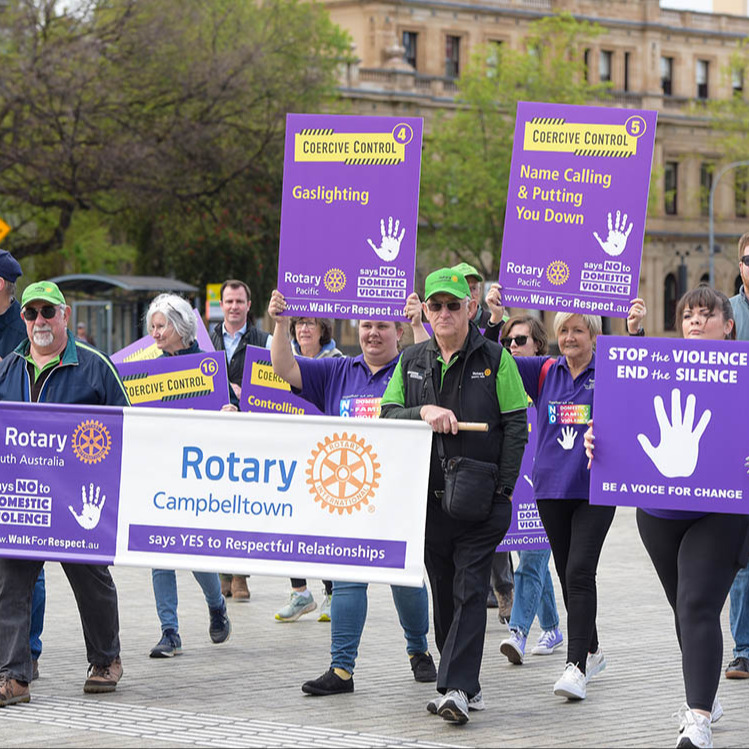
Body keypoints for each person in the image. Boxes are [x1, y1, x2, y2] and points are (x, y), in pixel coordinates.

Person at [585, 286, 746, 749]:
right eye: (688, 315)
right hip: (657, 512)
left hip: (719, 511)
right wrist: (598, 444)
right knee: (685, 611)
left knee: (697, 604)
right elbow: (615, 424)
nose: (696, 321)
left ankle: (697, 719)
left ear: (728, 324)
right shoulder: (651, 371)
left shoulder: (745, 373)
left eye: (707, 314)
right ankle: (706, 691)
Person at [267, 289, 437, 696]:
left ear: (397, 332)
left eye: (382, 326)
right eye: (366, 326)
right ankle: (341, 670)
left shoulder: (414, 368)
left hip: (399, 496)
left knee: (406, 579)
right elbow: (284, 366)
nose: (373, 334)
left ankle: (418, 652)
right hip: (347, 498)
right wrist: (280, 323)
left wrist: (418, 323)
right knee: (347, 582)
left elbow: (437, 360)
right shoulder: (337, 372)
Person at [381, 268, 528, 724]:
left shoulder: (496, 358)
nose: (444, 313)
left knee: (468, 593)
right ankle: (466, 680)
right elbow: (387, 415)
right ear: (425, 310)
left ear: (470, 308)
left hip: (480, 502)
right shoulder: (410, 360)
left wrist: (503, 492)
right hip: (427, 502)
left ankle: (457, 689)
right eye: (436, 305)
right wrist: (422, 411)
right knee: (444, 596)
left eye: (453, 304)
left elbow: (516, 427)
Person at [486, 285, 645, 702]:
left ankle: (575, 667)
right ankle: (591, 649)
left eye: (578, 330)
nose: (570, 337)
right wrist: (496, 319)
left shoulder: (607, 371)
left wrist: (635, 334)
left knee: (579, 572)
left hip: (595, 488)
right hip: (552, 487)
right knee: (566, 570)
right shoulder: (544, 372)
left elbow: (640, 380)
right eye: (564, 330)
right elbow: (494, 359)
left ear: (593, 335)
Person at [0, 281, 130, 705]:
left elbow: (129, 427)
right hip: (24, 500)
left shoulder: (95, 366)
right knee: (10, 583)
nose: (40, 321)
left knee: (91, 580)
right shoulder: (8, 367)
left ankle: (105, 660)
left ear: (65, 315)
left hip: (81, 502)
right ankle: (14, 676)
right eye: (31, 314)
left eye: (48, 313)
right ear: (23, 319)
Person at [146, 293, 232, 658]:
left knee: (195, 553)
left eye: (161, 325)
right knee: (158, 554)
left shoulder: (207, 366)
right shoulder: (147, 371)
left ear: (180, 326)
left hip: (196, 472)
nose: (155, 333)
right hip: (160, 469)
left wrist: (229, 409)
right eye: (151, 327)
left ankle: (216, 606)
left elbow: (224, 412)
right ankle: (170, 631)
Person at [497, 315, 563, 665]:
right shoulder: (504, 382)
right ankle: (552, 626)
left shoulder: (550, 379)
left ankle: (518, 632)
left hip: (548, 486)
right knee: (529, 558)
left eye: (520, 340)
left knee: (533, 560)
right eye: (508, 341)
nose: (512, 347)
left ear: (538, 344)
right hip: (515, 485)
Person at [452, 262, 514, 617]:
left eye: (474, 285)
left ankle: (504, 588)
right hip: (451, 457)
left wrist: (494, 322)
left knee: (493, 528)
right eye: (466, 285)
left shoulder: (492, 332)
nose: (471, 291)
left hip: (484, 454)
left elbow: (491, 356)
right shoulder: (442, 326)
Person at [275, 316, 342, 624]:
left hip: (325, 458)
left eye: (310, 324)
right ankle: (300, 592)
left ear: (322, 330)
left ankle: (331, 592)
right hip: (289, 453)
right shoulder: (277, 356)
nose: (303, 329)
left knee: (323, 527)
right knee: (289, 523)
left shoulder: (339, 363)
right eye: (299, 324)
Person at [0, 252, 46, 682]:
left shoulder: (21, 330)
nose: (39, 319)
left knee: (29, 563)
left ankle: (28, 650)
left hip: (31, 460)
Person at [209, 279, 268, 601]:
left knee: (242, 506)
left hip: (248, 433)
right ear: (222, 305)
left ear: (248, 305)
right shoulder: (206, 338)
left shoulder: (264, 340)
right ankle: (222, 575)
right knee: (218, 505)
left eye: (239, 302)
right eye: (228, 302)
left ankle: (240, 576)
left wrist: (249, 396)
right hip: (215, 434)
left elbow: (275, 384)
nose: (234, 307)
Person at [725, 231, 749, 680]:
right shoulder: (726, 314)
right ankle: (744, 648)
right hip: (738, 447)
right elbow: (688, 365)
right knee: (743, 560)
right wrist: (639, 335)